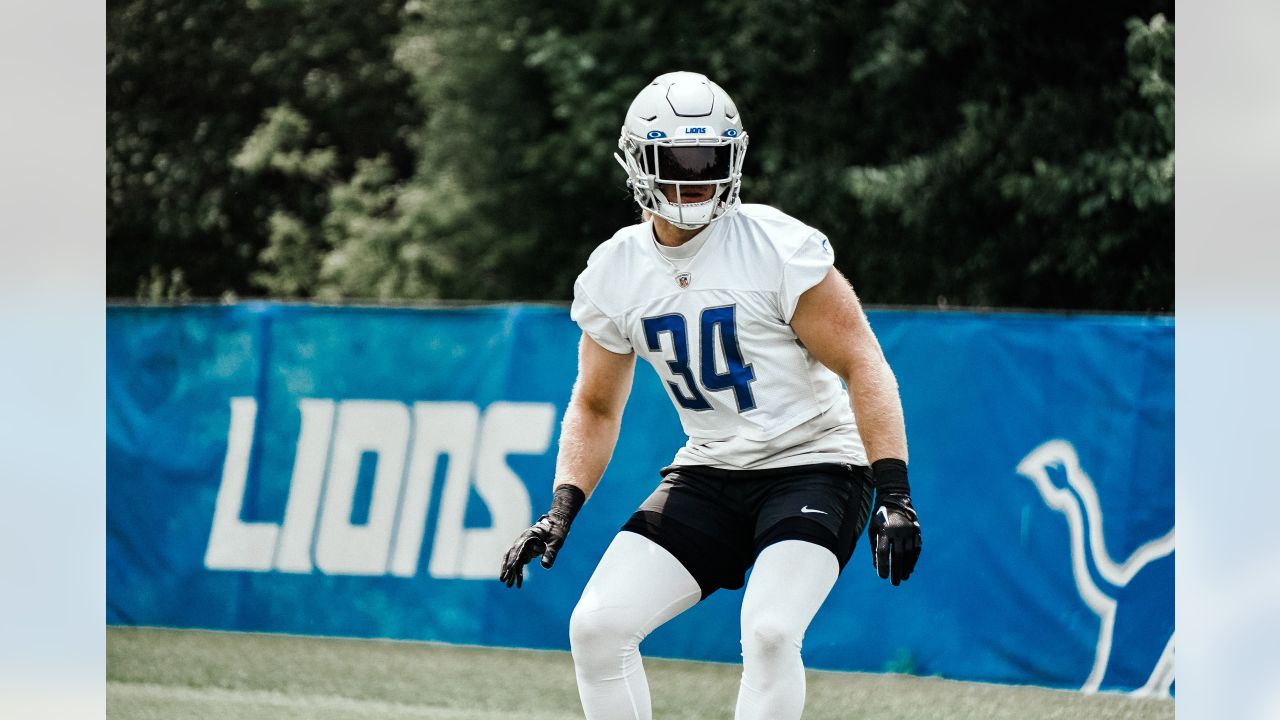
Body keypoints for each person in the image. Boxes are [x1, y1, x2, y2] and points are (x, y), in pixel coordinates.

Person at [500, 70, 922, 720]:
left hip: (814, 467)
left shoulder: (776, 246)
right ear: (639, 164)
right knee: (596, 628)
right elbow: (595, 405)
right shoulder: (616, 270)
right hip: (711, 470)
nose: (695, 180)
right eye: (677, 163)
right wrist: (562, 506)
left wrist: (894, 492)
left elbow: (863, 363)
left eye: (710, 163)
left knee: (771, 630)